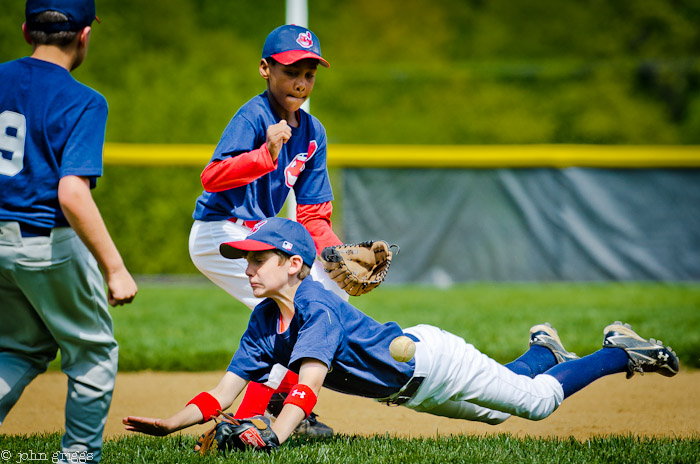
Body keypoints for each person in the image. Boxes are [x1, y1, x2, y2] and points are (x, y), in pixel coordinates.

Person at [123, 218, 679, 449]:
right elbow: (226, 392)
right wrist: (170, 423)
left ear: (293, 263)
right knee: (498, 409)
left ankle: (617, 352)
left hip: (433, 362)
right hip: (411, 391)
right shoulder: (265, 320)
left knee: (534, 405)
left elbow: (305, 386)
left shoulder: (317, 306)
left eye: (258, 258)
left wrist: (275, 434)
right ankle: (543, 350)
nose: (247, 268)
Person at [188, 24, 346, 434]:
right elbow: (211, 177)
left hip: (262, 236)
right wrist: (266, 153)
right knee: (293, 316)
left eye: (309, 73)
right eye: (291, 70)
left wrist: (335, 256)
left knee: (333, 292)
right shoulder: (253, 116)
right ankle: (253, 419)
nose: (301, 82)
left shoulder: (313, 133)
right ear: (265, 69)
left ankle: (282, 407)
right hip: (219, 231)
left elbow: (313, 217)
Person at [0, 1, 138, 463]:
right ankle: (78, 456)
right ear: (84, 35)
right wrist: (114, 269)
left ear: (26, 32)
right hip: (45, 242)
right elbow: (72, 194)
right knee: (92, 353)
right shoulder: (83, 100)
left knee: (19, 347)